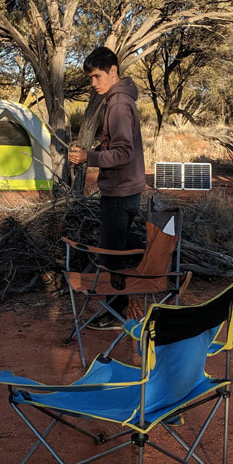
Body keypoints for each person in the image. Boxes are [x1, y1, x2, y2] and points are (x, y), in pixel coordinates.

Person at [68, 46, 146, 328]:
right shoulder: (121, 99)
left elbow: (124, 153)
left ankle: (116, 314)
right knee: (120, 247)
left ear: (113, 71)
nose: (94, 83)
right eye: (90, 78)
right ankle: (124, 302)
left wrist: (89, 157)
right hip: (127, 189)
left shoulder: (117, 104)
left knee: (112, 255)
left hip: (120, 192)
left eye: (97, 76)